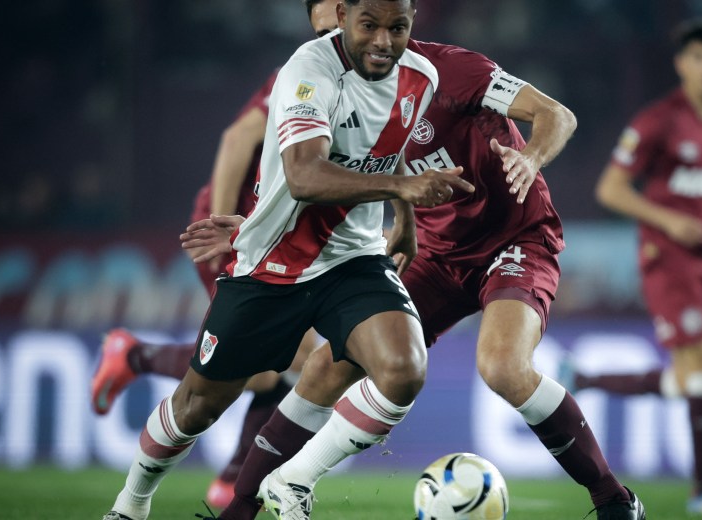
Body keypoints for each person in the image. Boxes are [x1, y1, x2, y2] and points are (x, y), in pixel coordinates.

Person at [182, 2, 645, 519]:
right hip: (438, 253)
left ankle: (614, 500)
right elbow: (361, 172)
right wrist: (401, 223)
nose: (347, 46)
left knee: (503, 367)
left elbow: (557, 114)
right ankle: (250, 503)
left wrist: (530, 157)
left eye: (366, 30)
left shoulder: (455, 71)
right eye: (327, 37)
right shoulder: (337, 93)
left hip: (514, 239)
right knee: (328, 364)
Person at [100, 1, 476, 518]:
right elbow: (304, 176)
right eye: (370, 26)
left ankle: (293, 478)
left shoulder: (422, 76)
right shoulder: (306, 70)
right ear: (344, 16)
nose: (385, 41)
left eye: (399, 27)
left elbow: (394, 146)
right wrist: (404, 188)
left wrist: (404, 219)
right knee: (197, 406)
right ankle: (131, 503)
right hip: (273, 261)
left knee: (404, 368)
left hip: (354, 257)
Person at [90, 3, 341, 509]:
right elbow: (237, 138)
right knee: (281, 360)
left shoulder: (379, 82)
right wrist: (224, 226)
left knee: (279, 364)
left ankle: (231, 477)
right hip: (238, 231)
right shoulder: (306, 71)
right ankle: (139, 362)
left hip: (282, 236)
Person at [561, 17, 702, 516]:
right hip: (666, 259)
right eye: (697, 58)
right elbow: (610, 189)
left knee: (693, 379)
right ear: (681, 64)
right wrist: (669, 220)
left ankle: (585, 380)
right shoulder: (658, 120)